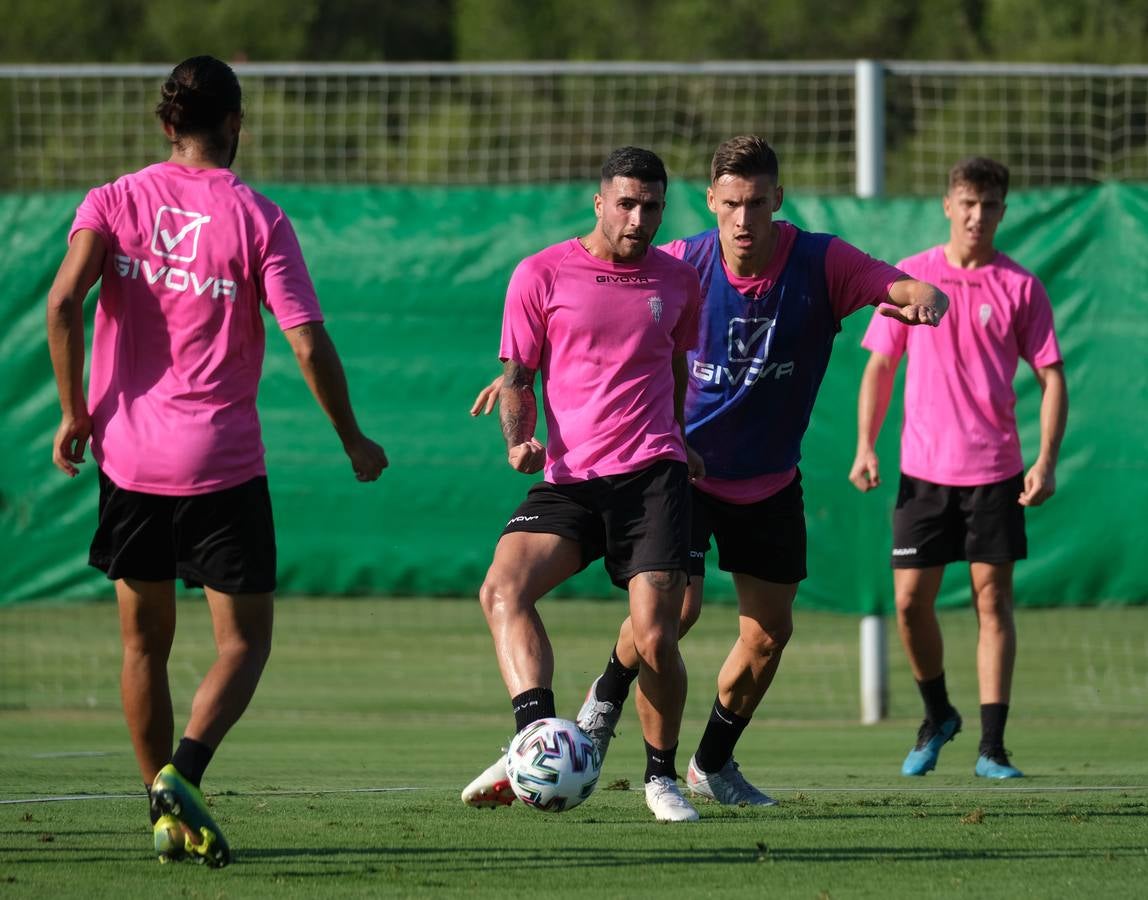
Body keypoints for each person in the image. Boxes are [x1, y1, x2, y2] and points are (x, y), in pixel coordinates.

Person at [472, 135, 949, 807]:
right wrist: (518, 389)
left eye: (757, 203)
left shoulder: (815, 261)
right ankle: (595, 730)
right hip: (678, 471)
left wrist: (922, 293)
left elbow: (886, 282)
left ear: (778, 201)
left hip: (767, 479)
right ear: (711, 203)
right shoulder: (677, 262)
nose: (744, 220)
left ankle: (711, 763)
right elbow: (596, 299)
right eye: (730, 204)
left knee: (768, 635)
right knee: (670, 615)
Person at [46, 55, 388, 866]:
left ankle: (159, 810)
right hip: (221, 465)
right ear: (235, 122)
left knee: (142, 646)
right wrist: (351, 437)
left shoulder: (114, 200)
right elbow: (305, 338)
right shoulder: (259, 216)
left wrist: (74, 411)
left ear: (168, 125)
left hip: (128, 458)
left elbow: (63, 302)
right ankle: (183, 774)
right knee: (244, 643)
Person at [460, 147, 705, 822]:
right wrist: (518, 441)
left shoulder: (679, 281)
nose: (638, 218)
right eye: (625, 203)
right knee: (502, 589)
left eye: (651, 206)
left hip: (653, 474)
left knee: (657, 636)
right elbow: (518, 378)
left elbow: (676, 369)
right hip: (570, 479)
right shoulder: (541, 273)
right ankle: (535, 739)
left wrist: (681, 438)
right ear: (599, 203)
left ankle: (661, 778)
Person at [849, 156, 1067, 779]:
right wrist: (866, 445)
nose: (977, 215)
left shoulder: (1020, 287)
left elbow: (1052, 377)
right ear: (948, 205)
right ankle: (938, 713)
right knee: (911, 603)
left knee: (992, 602)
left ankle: (992, 748)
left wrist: (1045, 461)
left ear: (1002, 211)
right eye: (967, 203)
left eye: (990, 205)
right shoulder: (912, 277)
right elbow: (880, 366)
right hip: (923, 474)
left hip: (996, 472)